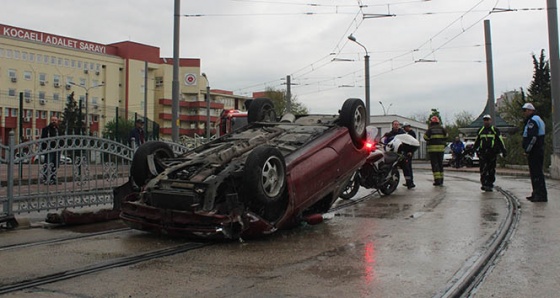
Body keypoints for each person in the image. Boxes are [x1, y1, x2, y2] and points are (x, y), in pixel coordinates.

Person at [473, 114, 507, 192]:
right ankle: (484, 184)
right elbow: (477, 141)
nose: (486, 121)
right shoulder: (480, 130)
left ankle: (490, 183)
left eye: (487, 120)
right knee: (483, 169)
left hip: (492, 153)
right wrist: (473, 150)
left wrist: (503, 150)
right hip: (483, 153)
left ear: (490, 121)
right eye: (485, 120)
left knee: (491, 169)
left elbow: (500, 141)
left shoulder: (495, 130)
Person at [521, 103, 547, 202]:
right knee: (537, 173)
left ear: (531, 110)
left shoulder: (533, 121)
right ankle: (536, 193)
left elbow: (533, 137)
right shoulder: (537, 119)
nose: (524, 113)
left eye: (526, 110)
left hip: (535, 151)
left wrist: (528, 150)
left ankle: (539, 195)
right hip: (538, 150)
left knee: (536, 173)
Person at [424, 115, 447, 186]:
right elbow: (446, 136)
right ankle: (441, 180)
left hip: (432, 150)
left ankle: (437, 181)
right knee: (440, 164)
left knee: (435, 165)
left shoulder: (430, 129)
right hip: (441, 150)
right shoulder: (442, 129)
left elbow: (425, 137)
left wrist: (431, 140)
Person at [40, 116, 61, 184]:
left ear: (57, 121)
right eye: (53, 120)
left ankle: (53, 178)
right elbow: (43, 139)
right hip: (49, 149)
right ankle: (46, 178)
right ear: (50, 120)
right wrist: (45, 148)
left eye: (55, 120)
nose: (54, 121)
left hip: (57, 149)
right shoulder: (46, 129)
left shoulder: (58, 129)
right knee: (48, 164)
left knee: (55, 164)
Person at [401, 122, 416, 189]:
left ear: (407, 127)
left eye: (405, 128)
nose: (404, 129)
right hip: (406, 152)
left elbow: (413, 144)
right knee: (407, 167)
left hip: (408, 153)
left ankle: (410, 182)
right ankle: (409, 182)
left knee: (407, 167)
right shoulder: (408, 133)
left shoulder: (411, 134)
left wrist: (411, 151)